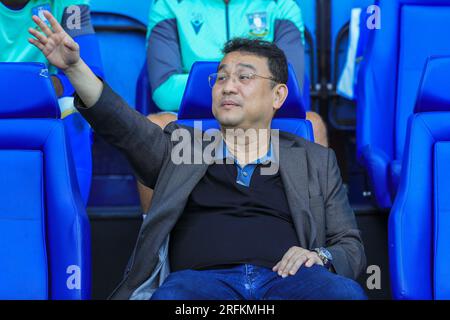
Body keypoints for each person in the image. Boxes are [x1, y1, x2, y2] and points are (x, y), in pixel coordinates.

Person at [29, 11, 367, 300]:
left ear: (278, 95)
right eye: (220, 78)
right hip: (200, 287)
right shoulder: (183, 145)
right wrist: (74, 69)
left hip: (290, 284)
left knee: (346, 294)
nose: (228, 86)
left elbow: (350, 247)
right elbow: (123, 125)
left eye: (244, 77)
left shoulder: (313, 159)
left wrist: (319, 255)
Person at [139, 0, 328, 213]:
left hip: (263, 120)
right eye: (222, 78)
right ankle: (156, 239)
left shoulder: (280, 5)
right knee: (154, 127)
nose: (229, 86)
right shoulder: (169, 4)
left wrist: (225, 84)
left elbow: (289, 85)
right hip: (194, 121)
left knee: (313, 124)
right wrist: (245, 82)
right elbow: (164, 89)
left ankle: (316, 233)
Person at [1, 0, 103, 204]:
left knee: (75, 112)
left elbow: (92, 75)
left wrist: (35, 88)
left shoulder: (70, 4)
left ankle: (72, 222)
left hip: (43, 102)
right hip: (36, 91)